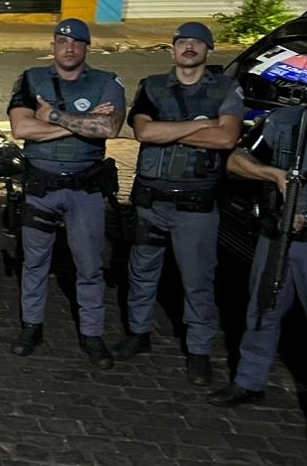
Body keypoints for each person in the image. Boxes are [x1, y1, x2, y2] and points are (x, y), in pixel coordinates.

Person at [113, 22, 241, 385]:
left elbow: (227, 137)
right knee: (141, 272)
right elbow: (144, 132)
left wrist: (172, 130)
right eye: (182, 42)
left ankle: (199, 351)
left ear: (208, 49)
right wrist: (201, 125)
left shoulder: (225, 88)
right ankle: (138, 334)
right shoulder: (152, 87)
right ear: (172, 49)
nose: (188, 48)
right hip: (151, 200)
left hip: (195, 205)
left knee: (198, 280)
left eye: (196, 43)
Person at [7, 18, 125, 368]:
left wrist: (54, 116)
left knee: (89, 265)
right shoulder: (31, 79)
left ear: (87, 47)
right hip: (41, 185)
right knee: (34, 262)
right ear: (53, 46)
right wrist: (81, 127)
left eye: (76, 43)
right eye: (61, 41)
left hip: (84, 188)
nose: (68, 48)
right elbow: (20, 127)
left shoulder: (106, 82)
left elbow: (110, 127)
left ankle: (92, 334)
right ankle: (31, 327)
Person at [208, 105, 307, 407]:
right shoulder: (285, 120)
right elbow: (236, 161)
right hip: (276, 235)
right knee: (264, 307)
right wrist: (273, 174)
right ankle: (250, 381)